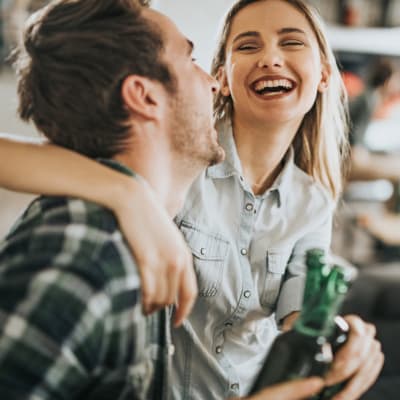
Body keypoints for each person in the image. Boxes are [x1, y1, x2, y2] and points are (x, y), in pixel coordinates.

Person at [0, 0, 383, 399]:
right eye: (191, 58)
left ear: (323, 75)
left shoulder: (310, 200)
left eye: (291, 43)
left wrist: (336, 341)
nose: (270, 59)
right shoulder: (99, 243)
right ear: (224, 76)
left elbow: (301, 317)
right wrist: (128, 194)